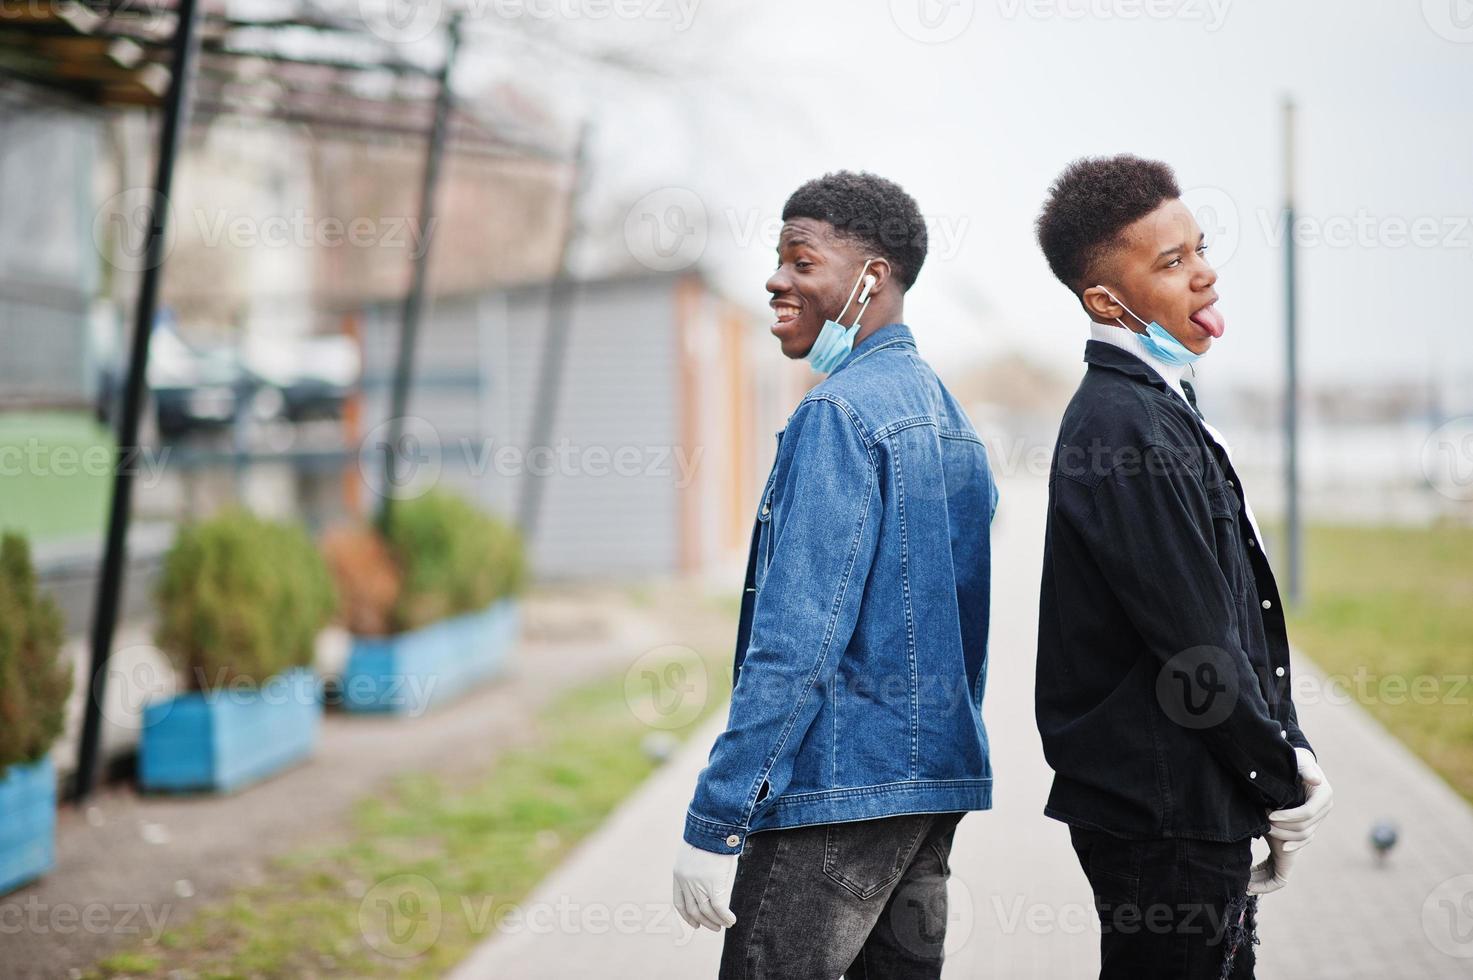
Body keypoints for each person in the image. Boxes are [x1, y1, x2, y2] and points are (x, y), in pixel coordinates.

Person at [671, 171, 999, 979]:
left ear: (871, 278)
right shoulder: (947, 416)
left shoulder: (838, 415)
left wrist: (717, 818)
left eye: (801, 260)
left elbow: (795, 644)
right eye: (777, 260)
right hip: (924, 792)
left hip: (835, 793)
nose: (776, 279)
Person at [1032, 154, 1334, 979]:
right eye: (1170, 263)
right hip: (1161, 817)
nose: (1203, 274)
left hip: (1191, 801)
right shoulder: (1122, 426)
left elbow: (1229, 613)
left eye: (1198, 249)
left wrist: (1279, 757)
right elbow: (1196, 644)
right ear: (1105, 301)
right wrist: (1279, 779)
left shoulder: (1161, 403)